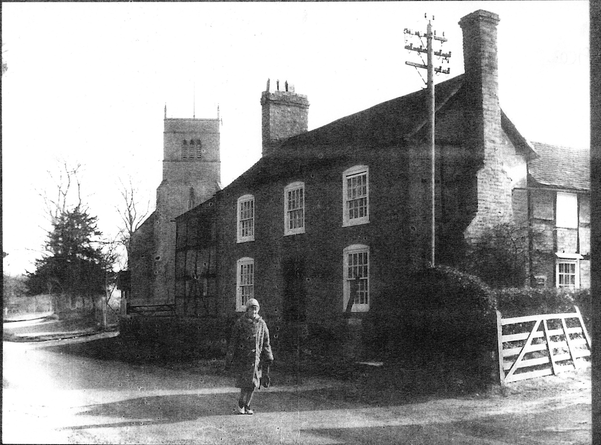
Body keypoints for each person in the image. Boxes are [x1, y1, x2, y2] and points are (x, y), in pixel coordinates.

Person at [225, 298, 273, 415]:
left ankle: (248, 405)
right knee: (244, 383)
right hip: (244, 358)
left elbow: (266, 342)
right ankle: (241, 404)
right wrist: (230, 357)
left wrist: (268, 356)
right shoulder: (240, 323)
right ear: (247, 310)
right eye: (252, 310)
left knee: (253, 384)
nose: (254, 312)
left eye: (256, 310)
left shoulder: (262, 324)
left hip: (256, 359)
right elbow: (234, 341)